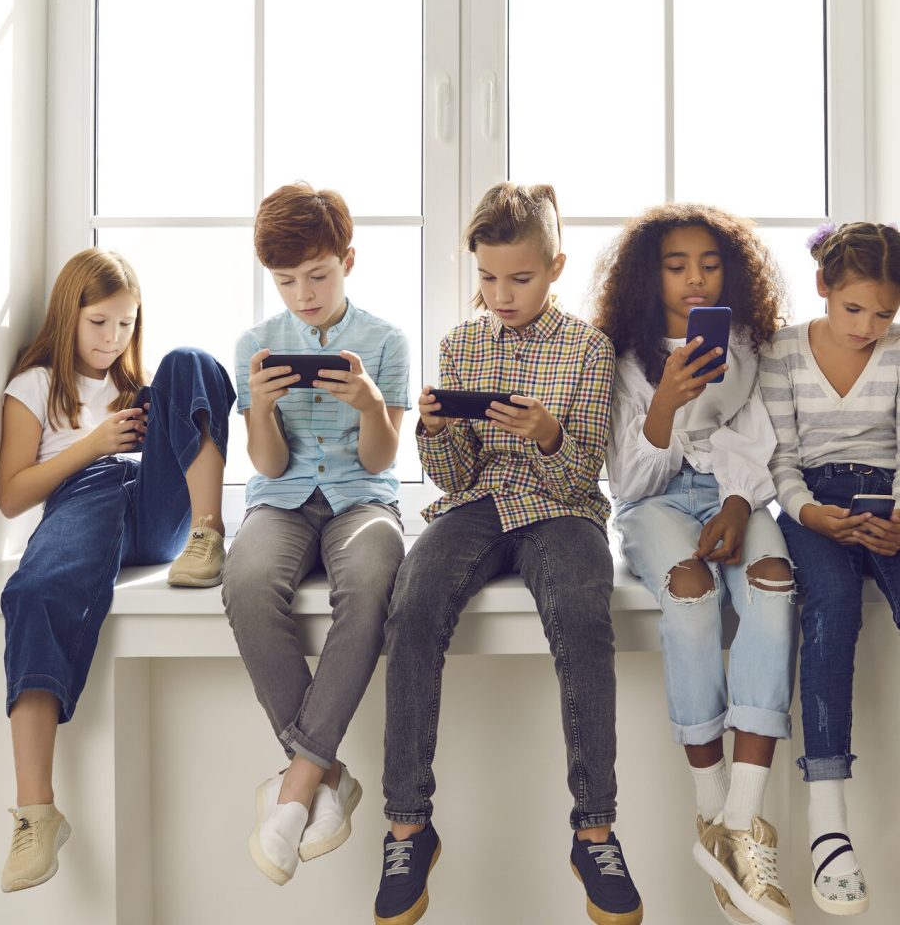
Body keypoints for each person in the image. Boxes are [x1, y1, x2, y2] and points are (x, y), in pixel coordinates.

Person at [373, 183, 643, 925]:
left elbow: (580, 472)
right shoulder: (462, 343)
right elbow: (455, 477)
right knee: (414, 605)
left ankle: (595, 830)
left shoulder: (588, 349)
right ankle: (407, 826)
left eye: (519, 278)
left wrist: (547, 433)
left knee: (584, 618)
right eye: (488, 278)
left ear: (555, 267)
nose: (501, 294)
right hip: (478, 503)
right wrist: (434, 428)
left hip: (561, 510)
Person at [0, 247, 235, 892]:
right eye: (99, 322)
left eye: (126, 324)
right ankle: (36, 813)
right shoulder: (36, 386)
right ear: (68, 315)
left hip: (157, 508)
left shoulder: (141, 388)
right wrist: (92, 445)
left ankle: (210, 535)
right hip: (84, 493)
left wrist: (143, 433)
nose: (113, 338)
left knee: (192, 363)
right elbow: (13, 495)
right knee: (34, 590)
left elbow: (177, 437)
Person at [594, 203, 796, 925]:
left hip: (739, 496)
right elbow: (632, 482)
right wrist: (667, 406)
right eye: (677, 265)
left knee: (774, 584)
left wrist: (739, 504)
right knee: (690, 590)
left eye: (709, 263)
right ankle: (709, 810)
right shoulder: (623, 354)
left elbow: (757, 437)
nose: (695, 278)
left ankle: (742, 821)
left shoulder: (745, 343)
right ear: (652, 275)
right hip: (658, 504)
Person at [222, 183, 410, 887]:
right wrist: (262, 411)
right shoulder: (256, 345)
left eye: (319, 275)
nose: (303, 294)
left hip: (364, 500)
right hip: (281, 499)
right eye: (286, 280)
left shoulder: (387, 341)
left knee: (370, 587)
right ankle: (325, 771)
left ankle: (298, 785)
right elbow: (265, 465)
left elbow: (380, 460)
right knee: (244, 584)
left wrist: (369, 406)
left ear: (348, 261)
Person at [760, 221, 900, 916]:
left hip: (888, 503)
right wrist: (807, 512)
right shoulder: (784, 350)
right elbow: (779, 454)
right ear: (823, 288)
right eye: (854, 309)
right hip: (811, 506)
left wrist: (899, 512)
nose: (868, 326)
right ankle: (828, 822)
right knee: (833, 610)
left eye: (884, 313)